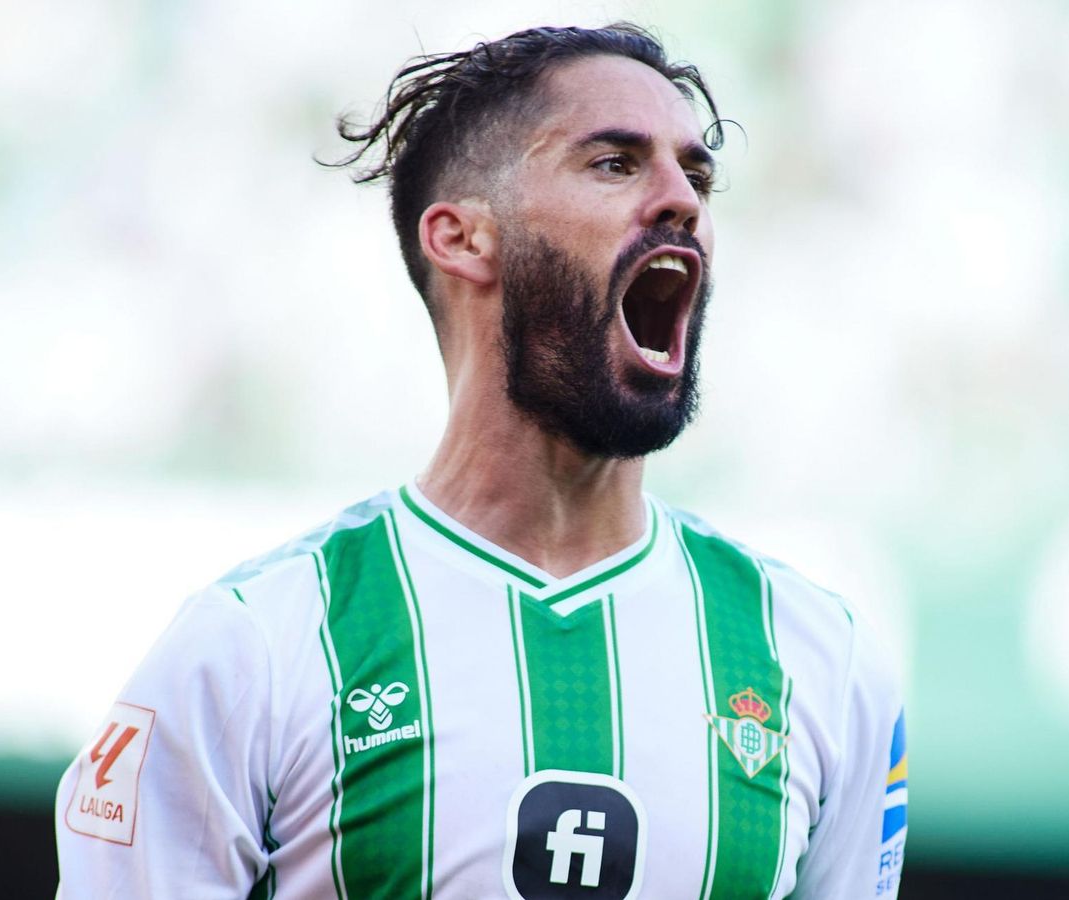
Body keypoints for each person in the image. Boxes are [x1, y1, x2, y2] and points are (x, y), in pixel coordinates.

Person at [54, 22, 906, 899]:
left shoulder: (818, 663)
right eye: (614, 163)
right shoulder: (256, 650)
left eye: (696, 174)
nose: (680, 200)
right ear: (462, 238)